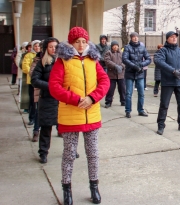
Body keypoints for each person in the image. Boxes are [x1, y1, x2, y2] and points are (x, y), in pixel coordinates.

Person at [49, 27, 110, 205]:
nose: (81, 45)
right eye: (77, 41)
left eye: (84, 41)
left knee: (93, 153)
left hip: (91, 115)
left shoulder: (93, 60)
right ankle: (66, 189)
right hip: (70, 115)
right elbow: (54, 86)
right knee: (69, 154)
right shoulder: (62, 61)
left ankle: (94, 187)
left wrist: (92, 97)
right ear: (71, 43)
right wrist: (76, 100)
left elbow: (104, 81)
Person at [153, 31, 180, 135]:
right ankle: (161, 125)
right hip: (167, 82)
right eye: (172, 37)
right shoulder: (162, 50)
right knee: (164, 104)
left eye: (175, 36)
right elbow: (159, 61)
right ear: (167, 38)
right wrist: (173, 71)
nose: (174, 38)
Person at [31, 37, 60, 163]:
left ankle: (71, 150)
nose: (53, 49)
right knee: (46, 128)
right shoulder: (42, 62)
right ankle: (43, 153)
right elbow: (34, 80)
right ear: (46, 48)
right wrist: (51, 86)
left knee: (67, 127)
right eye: (51, 46)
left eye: (55, 46)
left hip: (62, 99)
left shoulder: (64, 61)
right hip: (47, 99)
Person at [122, 32, 151, 118]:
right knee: (128, 93)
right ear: (131, 38)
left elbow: (148, 59)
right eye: (133, 37)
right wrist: (134, 66)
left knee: (141, 93)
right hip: (130, 73)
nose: (135, 38)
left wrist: (141, 65)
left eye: (136, 37)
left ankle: (141, 110)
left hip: (140, 73)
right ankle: (128, 111)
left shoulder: (142, 47)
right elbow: (124, 59)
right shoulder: (127, 47)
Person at [22, 40, 41, 126]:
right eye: (35, 46)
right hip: (32, 81)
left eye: (38, 46)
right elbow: (25, 67)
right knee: (32, 101)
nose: (37, 48)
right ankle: (32, 118)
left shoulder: (43, 55)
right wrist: (34, 73)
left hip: (41, 81)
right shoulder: (28, 55)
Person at [104, 40, 126, 108]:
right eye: (114, 46)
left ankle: (123, 101)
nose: (115, 47)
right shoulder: (108, 53)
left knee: (122, 89)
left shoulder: (121, 53)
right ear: (112, 46)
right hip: (112, 75)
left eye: (116, 45)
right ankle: (108, 102)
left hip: (120, 75)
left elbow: (125, 61)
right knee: (110, 89)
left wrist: (121, 66)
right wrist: (115, 66)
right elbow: (107, 61)